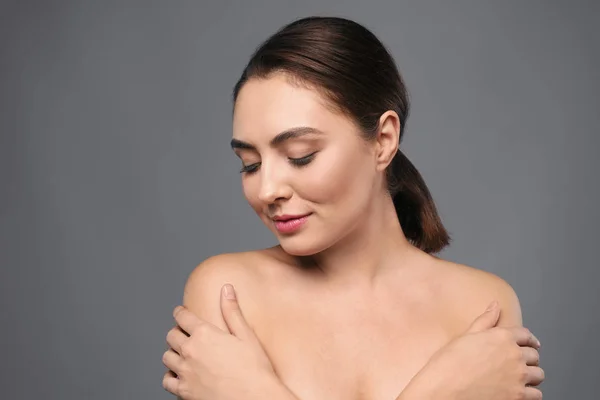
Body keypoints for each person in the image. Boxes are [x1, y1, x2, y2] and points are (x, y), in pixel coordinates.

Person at [162, 16, 544, 400]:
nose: (266, 190)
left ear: (383, 140)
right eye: (250, 164)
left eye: (300, 156)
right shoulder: (227, 294)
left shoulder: (481, 306)